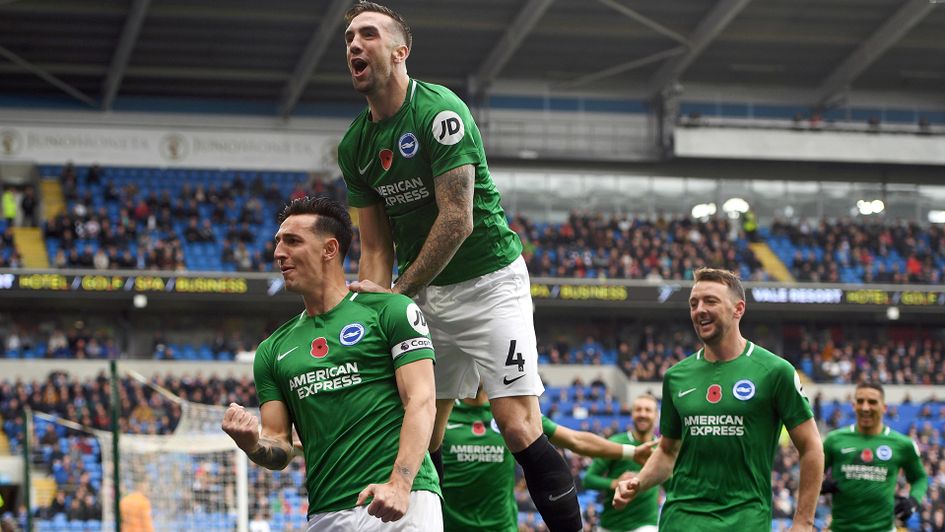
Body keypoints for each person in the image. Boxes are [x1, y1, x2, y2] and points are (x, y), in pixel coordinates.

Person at [338, 3, 581, 530]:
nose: (354, 44)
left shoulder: (439, 111)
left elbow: (457, 220)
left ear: (400, 51)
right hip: (423, 294)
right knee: (424, 429)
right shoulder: (355, 145)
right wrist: (375, 312)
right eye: (350, 37)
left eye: (369, 34)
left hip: (491, 282)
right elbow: (376, 248)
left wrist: (399, 293)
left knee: (515, 424)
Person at [221, 196, 441, 530]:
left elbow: (422, 400)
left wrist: (400, 483)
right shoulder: (272, 350)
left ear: (329, 249)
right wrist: (252, 445)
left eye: (292, 241)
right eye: (278, 242)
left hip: (400, 501)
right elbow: (279, 445)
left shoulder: (389, 311)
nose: (279, 253)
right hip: (326, 513)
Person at [613, 267, 823, 530]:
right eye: (693, 303)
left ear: (738, 309)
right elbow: (667, 451)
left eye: (710, 301)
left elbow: (811, 447)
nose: (699, 309)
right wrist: (639, 482)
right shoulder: (676, 376)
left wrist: (803, 521)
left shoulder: (775, 371)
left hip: (744, 520)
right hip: (681, 519)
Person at [441, 386, 657, 532]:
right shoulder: (441, 410)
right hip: (448, 526)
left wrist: (632, 452)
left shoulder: (511, 412)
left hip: (500, 527)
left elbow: (575, 440)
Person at [821, 382, 928, 531]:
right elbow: (810, 475)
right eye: (860, 401)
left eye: (872, 402)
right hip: (840, 528)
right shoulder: (834, 440)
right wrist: (819, 485)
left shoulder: (902, 444)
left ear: (884, 407)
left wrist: (914, 500)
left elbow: (920, 478)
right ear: (853, 405)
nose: (865, 407)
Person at [585, 394, 660, 532]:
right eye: (638, 409)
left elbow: (671, 484)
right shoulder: (616, 443)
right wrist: (614, 483)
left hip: (646, 524)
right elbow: (588, 480)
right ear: (632, 414)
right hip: (611, 525)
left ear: (656, 415)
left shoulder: (661, 449)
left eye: (648, 410)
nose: (642, 414)